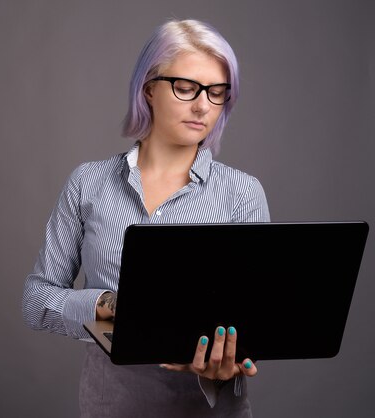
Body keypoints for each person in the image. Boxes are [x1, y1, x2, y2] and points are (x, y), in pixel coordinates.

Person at [22, 18, 270, 418]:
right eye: (187, 88)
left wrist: (225, 362)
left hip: (210, 407)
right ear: (148, 88)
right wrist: (108, 305)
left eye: (217, 92)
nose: (202, 105)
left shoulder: (242, 193)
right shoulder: (89, 183)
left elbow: (255, 320)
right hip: (112, 404)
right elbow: (37, 301)